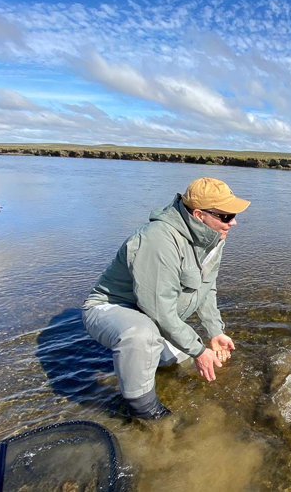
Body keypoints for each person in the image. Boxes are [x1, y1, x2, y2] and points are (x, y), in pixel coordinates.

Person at [81, 177, 250, 419]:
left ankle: (136, 365)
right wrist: (199, 351)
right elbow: (159, 311)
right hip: (111, 308)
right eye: (225, 216)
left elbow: (207, 287)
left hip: (151, 313)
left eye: (233, 215)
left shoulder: (214, 238)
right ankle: (144, 411)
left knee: (178, 361)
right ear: (200, 215)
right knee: (142, 335)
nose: (233, 222)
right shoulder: (158, 240)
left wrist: (215, 332)